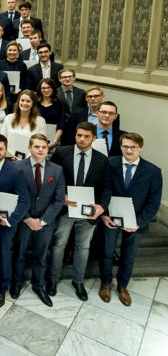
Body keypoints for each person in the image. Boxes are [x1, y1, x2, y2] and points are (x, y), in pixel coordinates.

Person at [48, 122, 112, 301]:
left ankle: (78, 281)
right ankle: (53, 279)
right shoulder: (62, 153)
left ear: (94, 138)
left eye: (86, 136)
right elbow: (51, 177)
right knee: (59, 244)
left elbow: (106, 187)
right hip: (66, 209)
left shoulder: (102, 159)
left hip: (89, 212)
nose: (82, 139)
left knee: (83, 247)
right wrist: (61, 196)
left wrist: (102, 207)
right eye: (79, 135)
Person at [100, 133, 162, 306]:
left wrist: (138, 223)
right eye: (125, 146)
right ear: (120, 147)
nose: (128, 150)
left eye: (133, 147)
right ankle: (105, 283)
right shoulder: (109, 164)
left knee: (129, 256)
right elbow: (102, 189)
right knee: (107, 252)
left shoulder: (153, 171)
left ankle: (122, 286)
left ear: (140, 148)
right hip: (110, 217)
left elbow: (154, 202)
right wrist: (104, 214)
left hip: (136, 221)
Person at [12, 134, 65, 306]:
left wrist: (42, 221)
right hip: (23, 220)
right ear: (29, 148)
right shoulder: (17, 167)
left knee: (41, 256)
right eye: (37, 146)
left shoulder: (57, 170)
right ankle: (17, 283)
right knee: (19, 254)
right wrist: (27, 218)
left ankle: (38, 286)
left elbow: (58, 200)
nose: (41, 150)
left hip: (45, 222)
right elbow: (13, 196)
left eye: (44, 146)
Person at [0, 135, 30, 309]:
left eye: (0, 149)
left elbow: (25, 200)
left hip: (5, 223)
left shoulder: (15, 171)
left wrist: (10, 221)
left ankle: (1, 289)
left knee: (4, 255)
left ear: (6, 149)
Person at [0, 90, 47, 157]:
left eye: (28, 101)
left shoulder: (40, 121)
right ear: (18, 101)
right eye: (22, 100)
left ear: (33, 104)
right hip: (9, 158)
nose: (24, 103)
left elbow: (41, 145)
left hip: (29, 161)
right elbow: (2, 141)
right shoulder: (8, 118)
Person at [36, 78, 68, 149]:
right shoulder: (35, 104)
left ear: (53, 88)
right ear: (40, 90)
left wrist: (54, 141)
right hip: (35, 139)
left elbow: (61, 124)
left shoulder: (60, 104)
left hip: (53, 140)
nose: (46, 90)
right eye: (43, 88)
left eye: (48, 87)